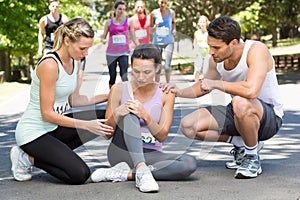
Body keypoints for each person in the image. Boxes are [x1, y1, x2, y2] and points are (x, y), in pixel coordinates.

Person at [161, 16, 283, 179]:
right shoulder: (216, 60)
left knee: (239, 101)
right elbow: (204, 86)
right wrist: (179, 91)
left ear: (233, 43)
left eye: (216, 47)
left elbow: (251, 90)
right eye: (210, 46)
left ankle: (252, 157)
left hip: (268, 118)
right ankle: (241, 144)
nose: (211, 52)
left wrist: (217, 84)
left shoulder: (256, 50)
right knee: (188, 126)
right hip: (238, 112)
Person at [10, 17, 114, 185]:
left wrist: (110, 95)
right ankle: (26, 158)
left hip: (54, 129)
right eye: (82, 48)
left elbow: (75, 100)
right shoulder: (50, 65)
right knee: (80, 174)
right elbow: (47, 114)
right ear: (67, 41)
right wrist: (87, 125)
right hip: (33, 134)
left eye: (88, 48)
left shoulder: (75, 61)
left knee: (105, 118)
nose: (86, 53)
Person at [90, 44, 197, 192]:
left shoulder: (166, 93)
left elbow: (162, 136)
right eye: (136, 71)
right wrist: (118, 113)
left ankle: (126, 174)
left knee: (188, 163)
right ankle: (141, 169)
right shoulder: (118, 89)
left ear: (157, 68)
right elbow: (107, 134)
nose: (141, 77)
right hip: (121, 152)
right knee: (130, 112)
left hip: (151, 152)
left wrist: (145, 115)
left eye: (147, 72)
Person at [101, 0, 139, 89]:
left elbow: (134, 37)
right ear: (115, 9)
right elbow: (103, 36)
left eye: (123, 9)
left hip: (124, 52)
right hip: (111, 53)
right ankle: (112, 95)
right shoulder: (109, 22)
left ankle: (125, 95)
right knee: (112, 76)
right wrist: (103, 40)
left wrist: (140, 46)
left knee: (124, 75)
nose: (122, 11)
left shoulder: (128, 22)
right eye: (119, 9)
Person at [150, 0, 176, 83]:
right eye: (161, 2)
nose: (163, 4)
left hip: (169, 41)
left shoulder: (171, 12)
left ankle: (168, 85)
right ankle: (157, 86)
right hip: (157, 42)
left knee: (167, 66)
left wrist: (174, 29)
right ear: (158, 2)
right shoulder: (154, 13)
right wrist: (155, 25)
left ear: (167, 3)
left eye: (165, 2)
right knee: (158, 66)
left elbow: (173, 22)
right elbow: (150, 29)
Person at [193, 15, 210, 82]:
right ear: (198, 23)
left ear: (206, 23)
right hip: (199, 53)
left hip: (207, 53)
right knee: (197, 69)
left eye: (203, 22)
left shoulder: (209, 33)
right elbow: (195, 43)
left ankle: (205, 84)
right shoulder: (196, 33)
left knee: (206, 70)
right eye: (201, 22)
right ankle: (196, 83)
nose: (202, 24)